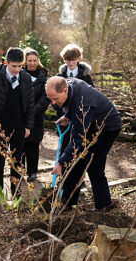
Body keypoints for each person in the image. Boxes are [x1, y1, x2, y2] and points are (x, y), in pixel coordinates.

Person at [45, 76, 122, 212]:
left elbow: (77, 139)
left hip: (108, 127)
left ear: (65, 91)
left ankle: (104, 205)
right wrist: (68, 116)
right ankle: (68, 202)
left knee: (94, 165)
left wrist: (61, 163)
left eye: (55, 98)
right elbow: (72, 104)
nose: (53, 103)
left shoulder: (83, 106)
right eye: (50, 98)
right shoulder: (70, 84)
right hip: (92, 123)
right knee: (75, 163)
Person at [0, 47, 34, 196]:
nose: (17, 69)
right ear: (6, 63)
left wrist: (28, 126)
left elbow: (30, 105)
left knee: (17, 162)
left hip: (19, 127)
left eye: (20, 66)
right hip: (0, 128)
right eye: (14, 66)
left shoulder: (26, 78)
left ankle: (16, 194)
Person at [54, 43, 95, 187]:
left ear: (79, 59)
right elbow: (54, 98)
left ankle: (79, 179)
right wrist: (62, 111)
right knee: (65, 148)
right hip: (64, 120)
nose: (70, 63)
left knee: (79, 148)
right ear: (64, 60)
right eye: (67, 60)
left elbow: (92, 97)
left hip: (81, 119)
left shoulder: (85, 77)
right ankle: (63, 177)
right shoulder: (60, 77)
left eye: (73, 60)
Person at [22, 48, 50, 182]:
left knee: (33, 145)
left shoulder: (43, 75)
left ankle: (32, 172)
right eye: (29, 61)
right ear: (25, 61)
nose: (32, 63)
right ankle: (19, 170)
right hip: (20, 116)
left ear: (38, 61)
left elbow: (46, 97)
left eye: (34, 60)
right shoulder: (20, 73)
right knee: (20, 144)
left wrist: (34, 110)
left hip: (37, 117)